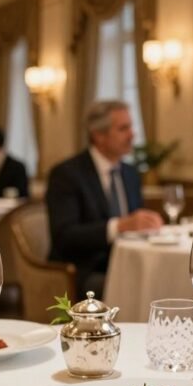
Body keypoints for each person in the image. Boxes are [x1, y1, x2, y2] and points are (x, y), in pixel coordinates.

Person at [46, 100, 163, 296]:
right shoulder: (67, 174)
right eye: (123, 128)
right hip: (85, 269)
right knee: (140, 289)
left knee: (164, 280)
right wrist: (119, 226)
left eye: (131, 126)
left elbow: (135, 223)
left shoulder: (130, 173)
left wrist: (147, 223)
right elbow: (64, 236)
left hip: (129, 263)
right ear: (98, 135)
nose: (132, 134)